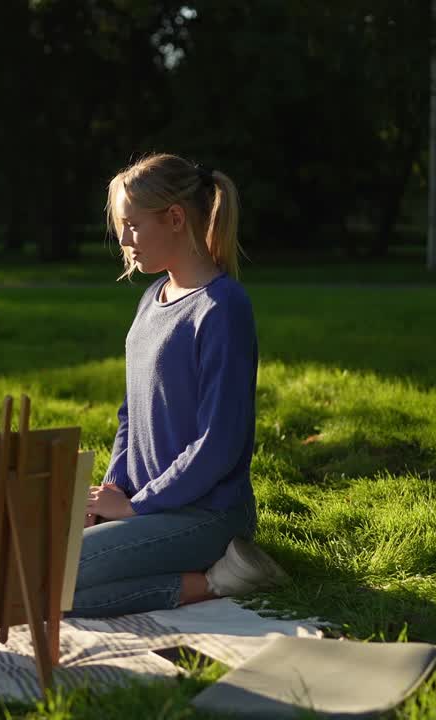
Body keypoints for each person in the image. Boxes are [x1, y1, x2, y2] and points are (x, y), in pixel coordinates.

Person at [71, 153, 287, 618]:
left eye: (133, 225)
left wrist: (135, 509)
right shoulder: (152, 298)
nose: (124, 241)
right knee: (36, 565)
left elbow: (219, 443)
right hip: (148, 509)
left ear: (173, 219)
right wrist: (109, 496)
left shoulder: (222, 307)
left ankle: (223, 577)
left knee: (59, 581)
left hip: (206, 516)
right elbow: (131, 415)